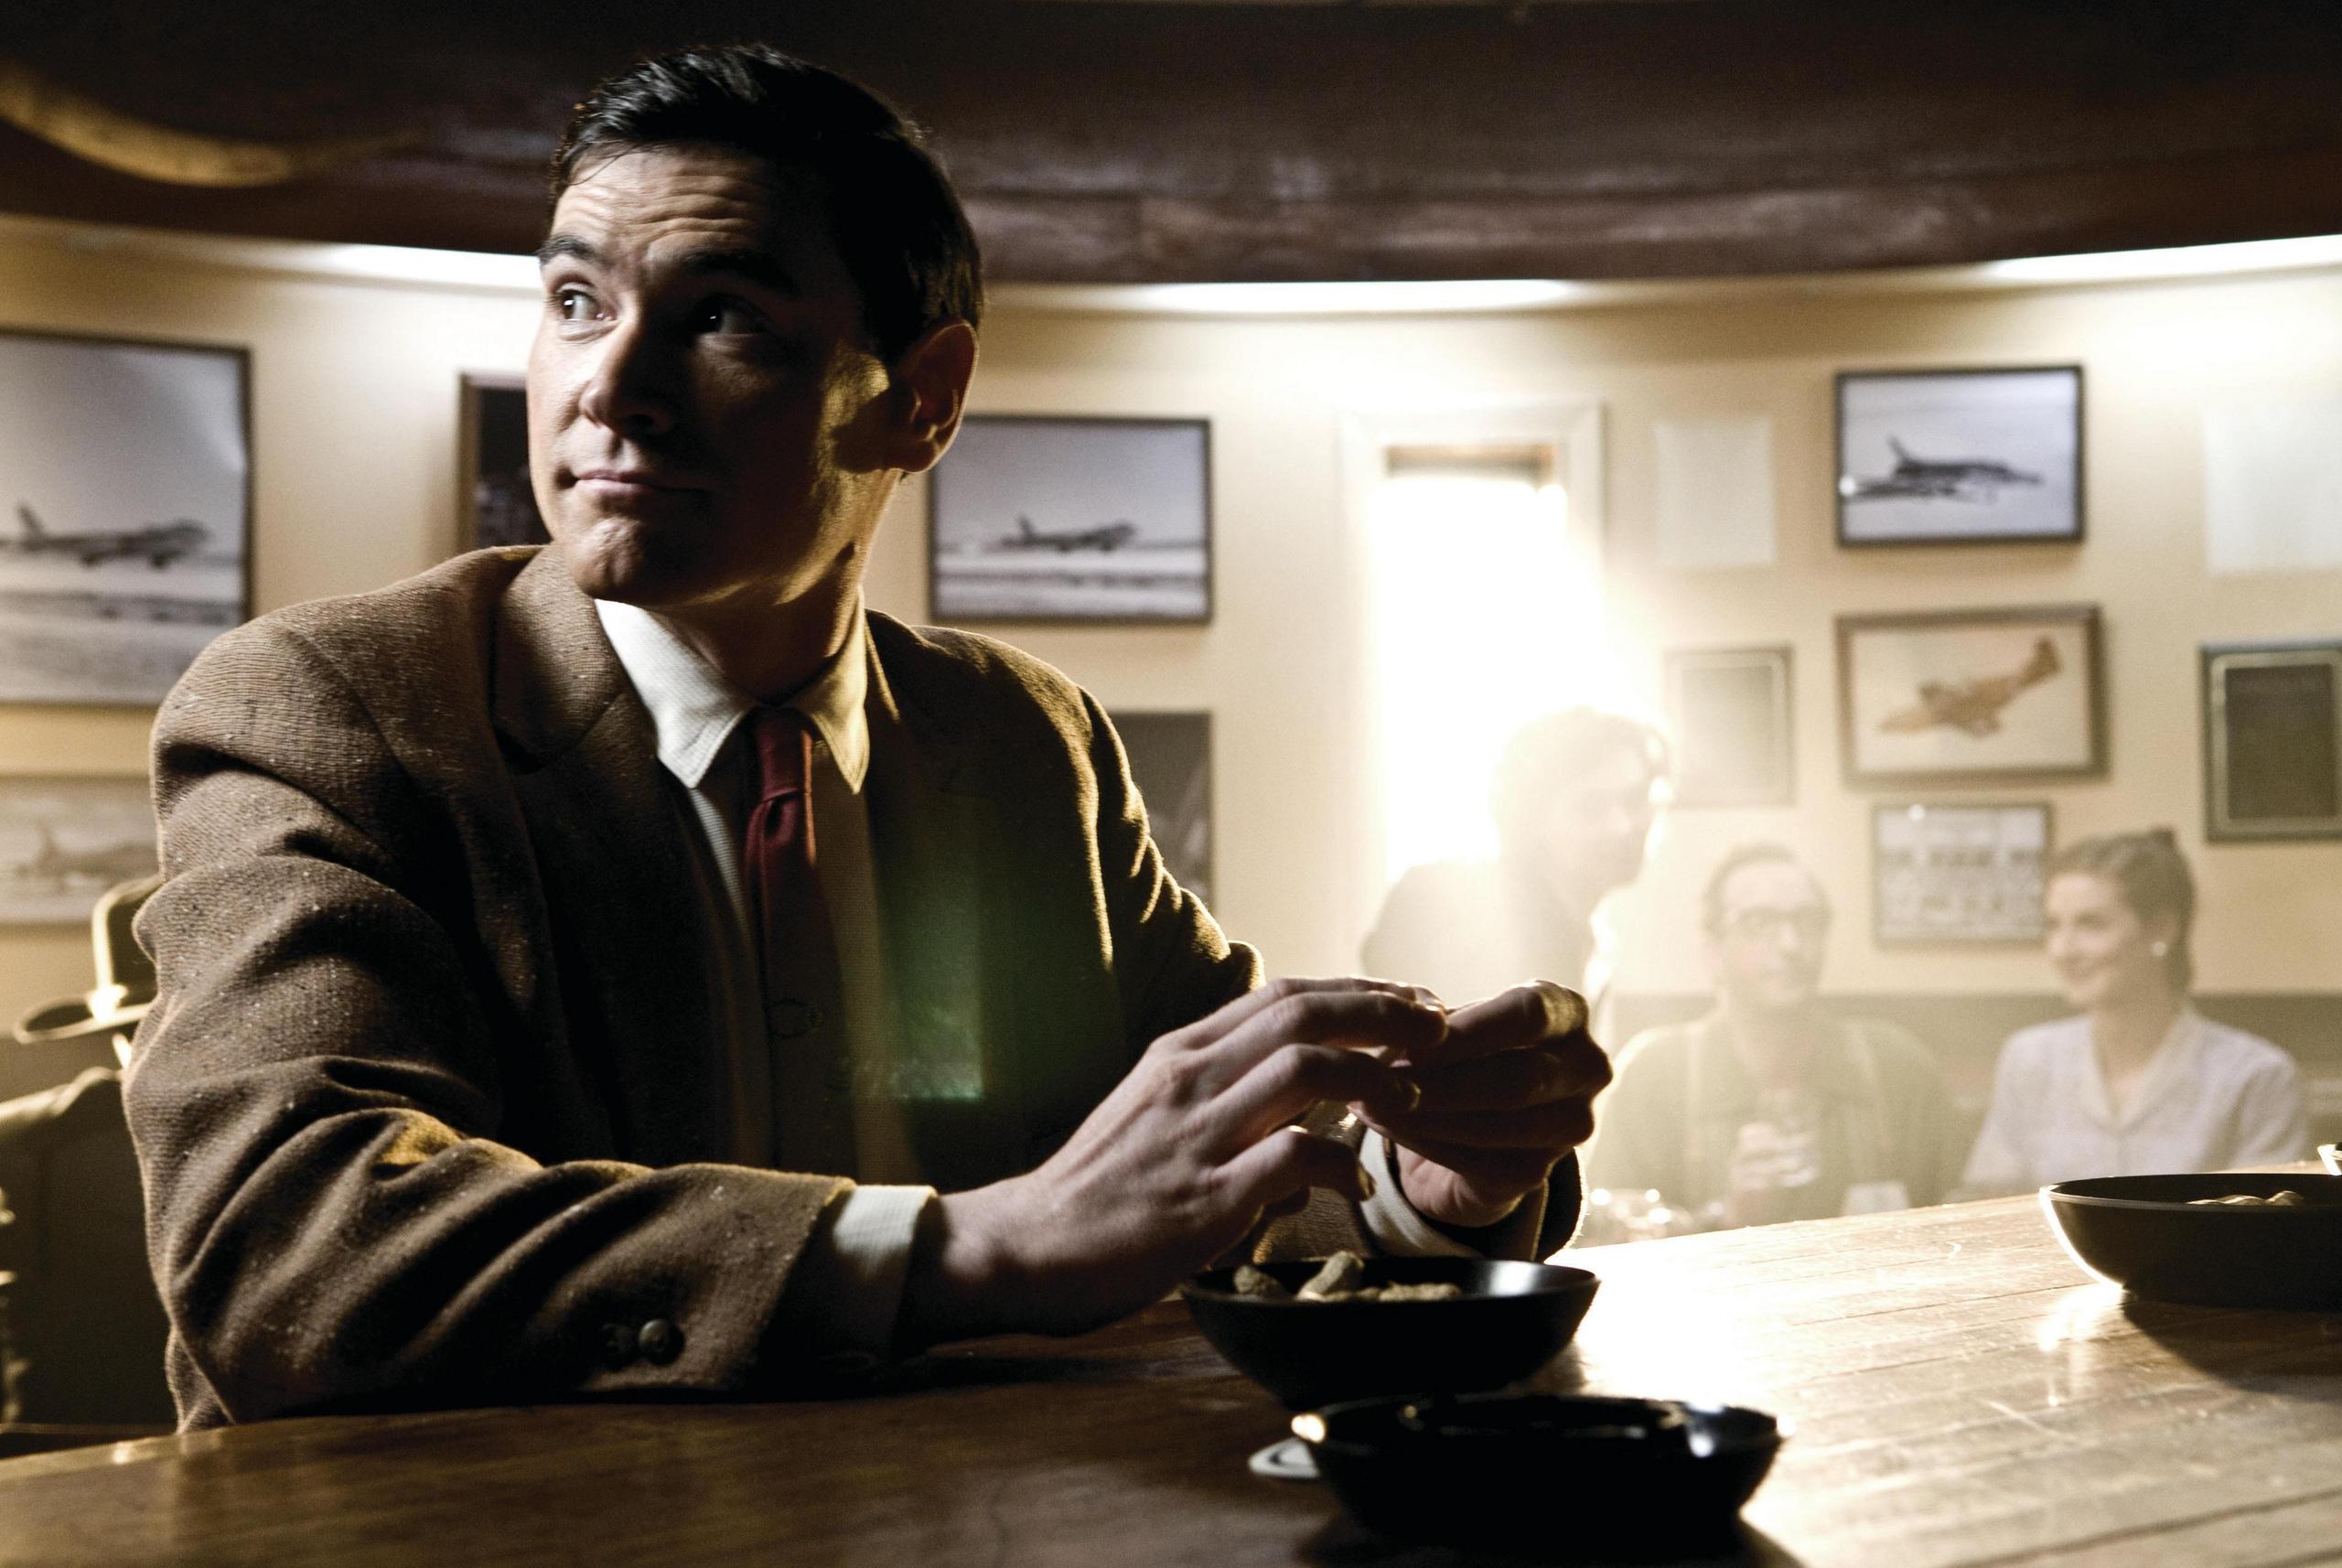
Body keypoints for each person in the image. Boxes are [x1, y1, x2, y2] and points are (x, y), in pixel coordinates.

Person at [122, 46, 1608, 1431]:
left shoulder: (1027, 743)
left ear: (924, 400)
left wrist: (1426, 1189)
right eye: (576, 301)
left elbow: (1202, 1175)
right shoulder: (325, 705)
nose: (608, 388)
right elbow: (281, 1251)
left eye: (723, 319)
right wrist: (967, 1247)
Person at [1582, 843, 1964, 1232]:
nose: (1790, 944)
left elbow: (1962, 1214)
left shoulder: (1896, 1068)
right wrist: (1726, 1219)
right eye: (1759, 923)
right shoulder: (1656, 1075)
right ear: (1713, 952)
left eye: (1807, 921)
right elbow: (1610, 1237)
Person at [1960, 830, 2306, 1194]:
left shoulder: (2255, 1077)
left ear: (2161, 929)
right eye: (2054, 925)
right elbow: (1988, 1200)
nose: (2063, 950)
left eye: (2091, 924)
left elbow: (2267, 1219)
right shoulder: (2029, 1059)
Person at [1362, 707, 1668, 1030]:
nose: (1622, 826)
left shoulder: (1596, 941)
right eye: (1591, 807)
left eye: (1636, 800)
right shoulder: (1451, 906)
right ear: (1532, 818)